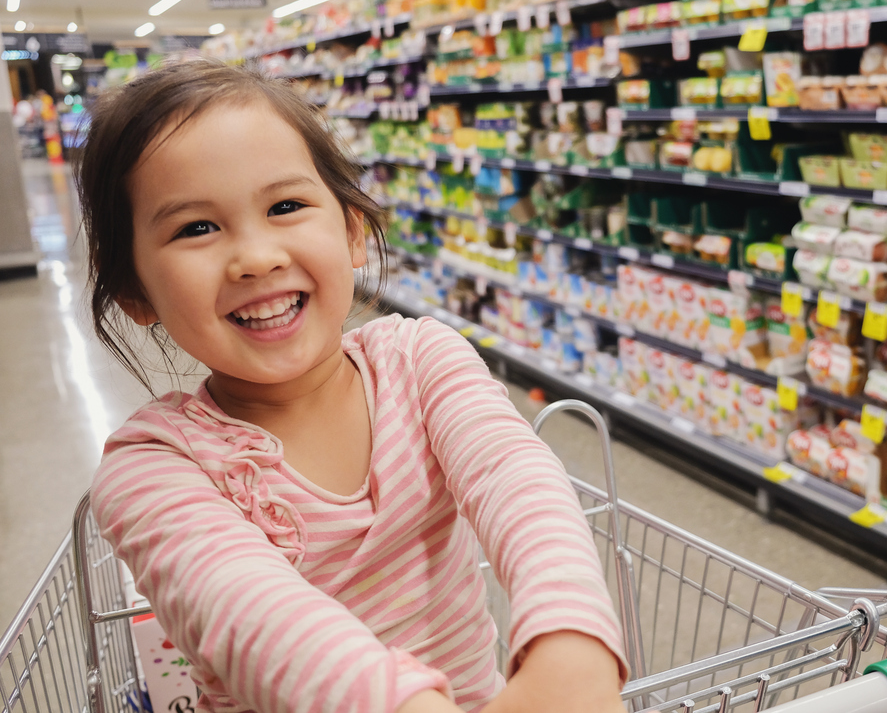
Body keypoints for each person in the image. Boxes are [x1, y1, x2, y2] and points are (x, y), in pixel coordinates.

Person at [79, 60, 628, 713]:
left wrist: (570, 640)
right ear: (135, 292)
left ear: (352, 231)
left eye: (285, 206)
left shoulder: (420, 359)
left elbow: (515, 477)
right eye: (197, 227)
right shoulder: (152, 467)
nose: (257, 257)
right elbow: (256, 619)